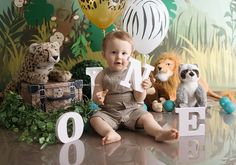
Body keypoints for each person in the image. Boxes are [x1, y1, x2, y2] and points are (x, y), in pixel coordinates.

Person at [90, 31, 179, 145]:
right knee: (95, 119)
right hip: (109, 113)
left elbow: (138, 98)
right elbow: (96, 99)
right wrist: (99, 97)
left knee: (147, 117)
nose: (119, 56)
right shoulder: (102, 75)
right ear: (104, 54)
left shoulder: (133, 73)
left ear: (130, 56)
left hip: (132, 110)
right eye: (113, 52)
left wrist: (143, 88)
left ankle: (159, 132)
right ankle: (110, 132)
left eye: (124, 53)